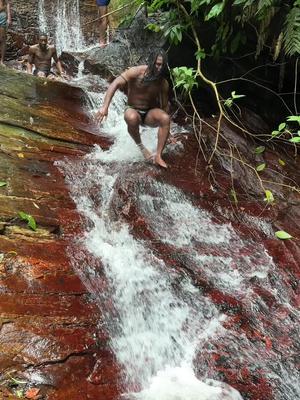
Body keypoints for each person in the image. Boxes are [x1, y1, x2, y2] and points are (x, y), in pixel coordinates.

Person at [96, 49, 170, 168]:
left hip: (149, 114)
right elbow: (115, 84)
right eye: (157, 64)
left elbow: (165, 106)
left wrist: (168, 132)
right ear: (151, 62)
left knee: (165, 118)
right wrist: (105, 107)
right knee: (131, 117)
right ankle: (141, 147)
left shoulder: (162, 82)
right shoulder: (135, 72)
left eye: (162, 65)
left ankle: (158, 155)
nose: (159, 68)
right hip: (132, 109)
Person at [0, 0, 11, 65]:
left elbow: (7, 3)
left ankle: (1, 60)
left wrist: (9, 17)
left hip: (2, 15)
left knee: (2, 39)